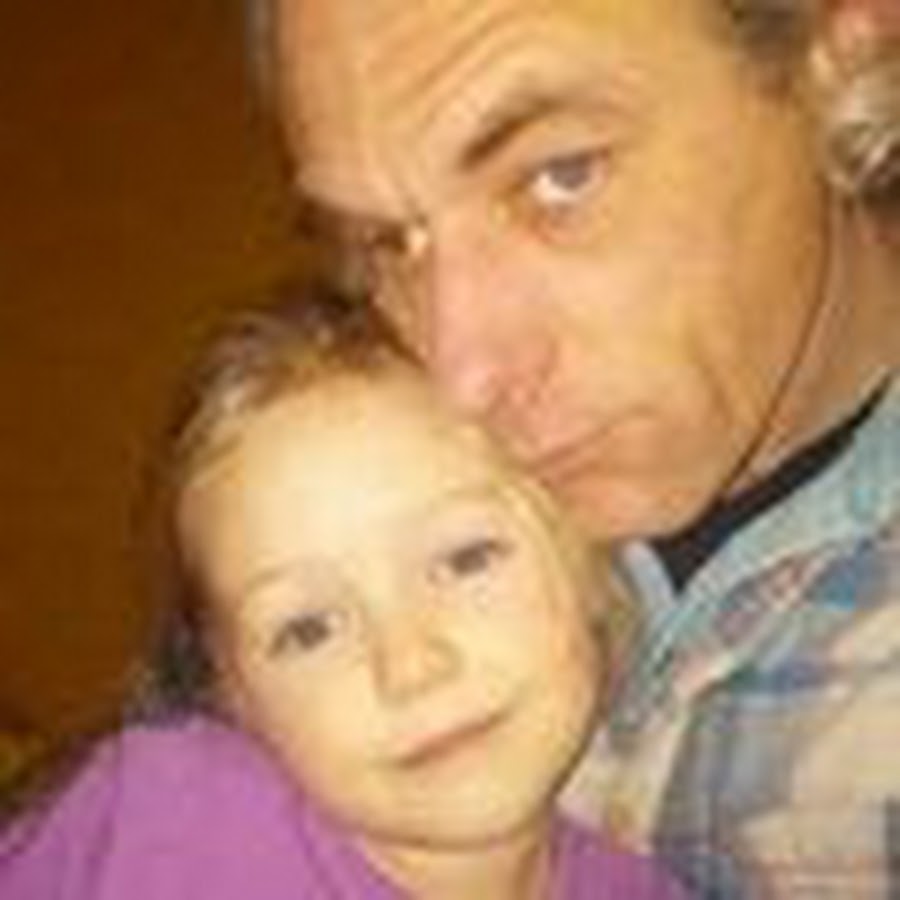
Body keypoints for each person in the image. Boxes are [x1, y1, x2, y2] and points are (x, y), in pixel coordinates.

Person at [248, 0, 900, 894]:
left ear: (838, 49)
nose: (463, 377)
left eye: (561, 176)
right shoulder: (341, 531)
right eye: (387, 242)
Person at [0, 282, 685, 899]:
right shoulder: (163, 821)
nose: (411, 666)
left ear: (589, 559)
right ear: (235, 697)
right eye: (307, 630)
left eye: (466, 559)